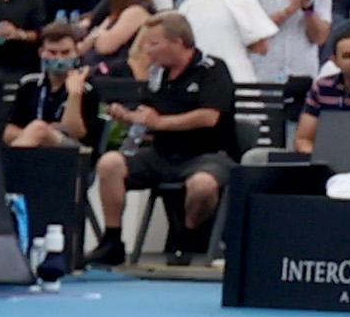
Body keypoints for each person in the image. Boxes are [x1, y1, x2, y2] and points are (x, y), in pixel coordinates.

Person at [81, 14, 238, 269]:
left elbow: (209, 117)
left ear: (177, 42)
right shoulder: (157, 75)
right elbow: (151, 117)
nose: (147, 50)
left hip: (207, 154)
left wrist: (160, 123)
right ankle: (112, 241)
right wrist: (129, 117)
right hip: (162, 153)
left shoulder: (212, 69)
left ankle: (185, 236)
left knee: (202, 185)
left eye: (154, 44)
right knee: (110, 163)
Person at [4, 22, 88, 149]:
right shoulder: (29, 84)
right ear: (41, 53)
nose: (59, 59)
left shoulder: (87, 86)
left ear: (76, 52)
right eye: (53, 53)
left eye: (65, 53)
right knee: (38, 128)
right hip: (34, 146)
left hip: (72, 152)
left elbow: (74, 133)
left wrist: (74, 95)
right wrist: (36, 135)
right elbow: (8, 132)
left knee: (39, 128)